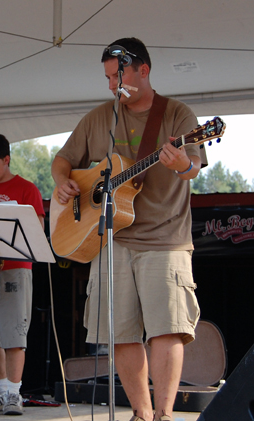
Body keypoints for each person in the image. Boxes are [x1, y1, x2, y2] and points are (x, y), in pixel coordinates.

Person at [51, 38, 205, 421]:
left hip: (164, 238)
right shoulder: (101, 116)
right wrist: (62, 182)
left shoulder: (177, 114)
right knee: (119, 333)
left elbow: (193, 168)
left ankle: (165, 415)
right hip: (111, 238)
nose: (110, 86)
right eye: (106, 77)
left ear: (143, 71)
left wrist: (181, 163)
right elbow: (64, 160)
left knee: (166, 330)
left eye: (115, 76)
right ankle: (141, 413)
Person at [0, 133, 45, 416]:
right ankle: (0, 390)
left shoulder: (27, 189)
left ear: (6, 159)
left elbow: (36, 228)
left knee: (14, 334)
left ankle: (14, 394)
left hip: (15, 268)